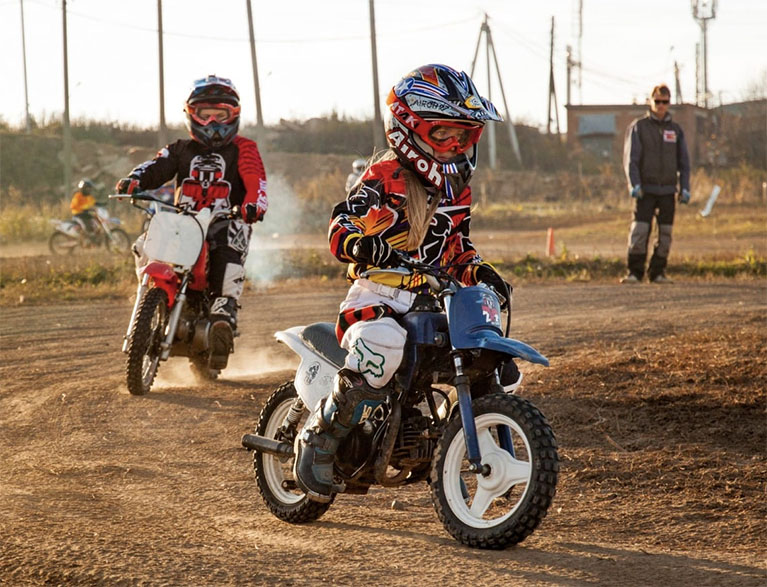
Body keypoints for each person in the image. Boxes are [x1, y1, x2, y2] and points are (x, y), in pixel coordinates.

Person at [293, 64, 519, 502]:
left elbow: (455, 244)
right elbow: (342, 221)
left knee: (492, 360)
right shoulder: (384, 176)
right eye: (444, 135)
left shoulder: (458, 190)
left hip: (435, 298)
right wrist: (360, 244)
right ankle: (318, 439)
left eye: (464, 136)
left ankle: (481, 445)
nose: (455, 146)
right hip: (379, 294)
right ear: (408, 129)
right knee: (381, 347)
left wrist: (477, 269)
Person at [115, 75, 267, 369]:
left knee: (227, 247)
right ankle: (154, 297)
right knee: (146, 240)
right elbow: (157, 166)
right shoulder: (180, 149)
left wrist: (253, 205)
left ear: (233, 115)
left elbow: (256, 182)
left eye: (219, 114)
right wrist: (135, 179)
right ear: (190, 115)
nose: (211, 122)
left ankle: (223, 314)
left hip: (226, 219)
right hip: (184, 222)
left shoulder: (243, 149)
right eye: (204, 114)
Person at [622, 83, 691, 284]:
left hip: (668, 190)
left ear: (669, 103)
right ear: (651, 101)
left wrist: (685, 187)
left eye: (665, 102)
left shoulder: (675, 130)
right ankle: (635, 272)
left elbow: (684, 163)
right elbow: (631, 160)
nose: (661, 105)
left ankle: (657, 272)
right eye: (657, 101)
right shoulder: (639, 127)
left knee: (666, 233)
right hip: (645, 191)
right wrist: (633, 184)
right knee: (640, 231)